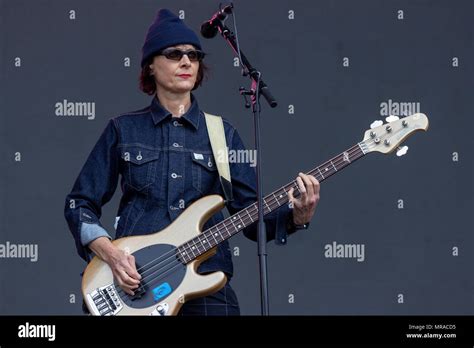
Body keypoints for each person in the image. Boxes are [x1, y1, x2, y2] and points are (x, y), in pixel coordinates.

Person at [64, 9, 320, 316]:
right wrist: (111, 255)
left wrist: (297, 215)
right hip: (135, 285)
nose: (186, 62)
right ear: (150, 68)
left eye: (194, 55)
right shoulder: (123, 129)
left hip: (205, 284)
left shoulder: (222, 134)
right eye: (174, 54)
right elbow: (79, 204)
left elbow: (253, 219)